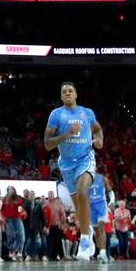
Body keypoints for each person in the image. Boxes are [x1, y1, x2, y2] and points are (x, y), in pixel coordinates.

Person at [44, 82, 103, 261]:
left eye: (70, 91)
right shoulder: (56, 115)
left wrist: (99, 139)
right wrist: (68, 134)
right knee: (78, 204)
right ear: (61, 97)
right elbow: (47, 144)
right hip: (66, 163)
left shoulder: (87, 113)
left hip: (85, 159)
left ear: (76, 94)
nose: (67, 93)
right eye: (64, 92)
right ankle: (88, 228)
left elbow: (98, 129)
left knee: (83, 193)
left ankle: (84, 239)